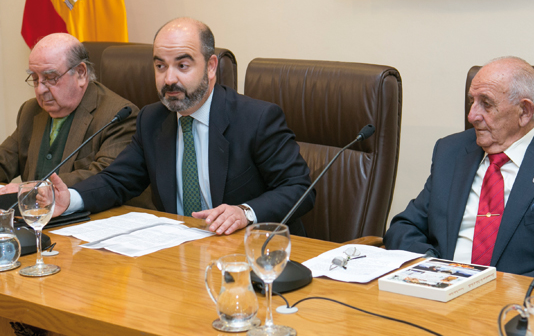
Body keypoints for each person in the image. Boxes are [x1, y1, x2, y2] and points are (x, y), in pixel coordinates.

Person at [50, 17, 314, 236]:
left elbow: (299, 187)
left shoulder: (256, 118)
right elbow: (117, 180)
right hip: (178, 255)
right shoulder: (151, 120)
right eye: (160, 66)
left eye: (182, 65)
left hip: (249, 252)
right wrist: (71, 199)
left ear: (211, 67)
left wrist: (244, 212)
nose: (169, 79)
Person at [385, 57, 534, 284]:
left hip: (520, 304)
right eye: (472, 101)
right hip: (442, 294)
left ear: (524, 112)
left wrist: (517, 290)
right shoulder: (451, 152)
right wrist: (433, 267)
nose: (472, 115)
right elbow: (404, 227)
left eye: (486, 103)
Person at [0, 33, 138, 194]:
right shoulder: (31, 111)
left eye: (50, 78)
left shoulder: (117, 116)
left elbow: (106, 178)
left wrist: (37, 188)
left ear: (80, 73)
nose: (40, 89)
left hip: (93, 215)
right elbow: (4, 161)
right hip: (37, 217)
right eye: (35, 79)